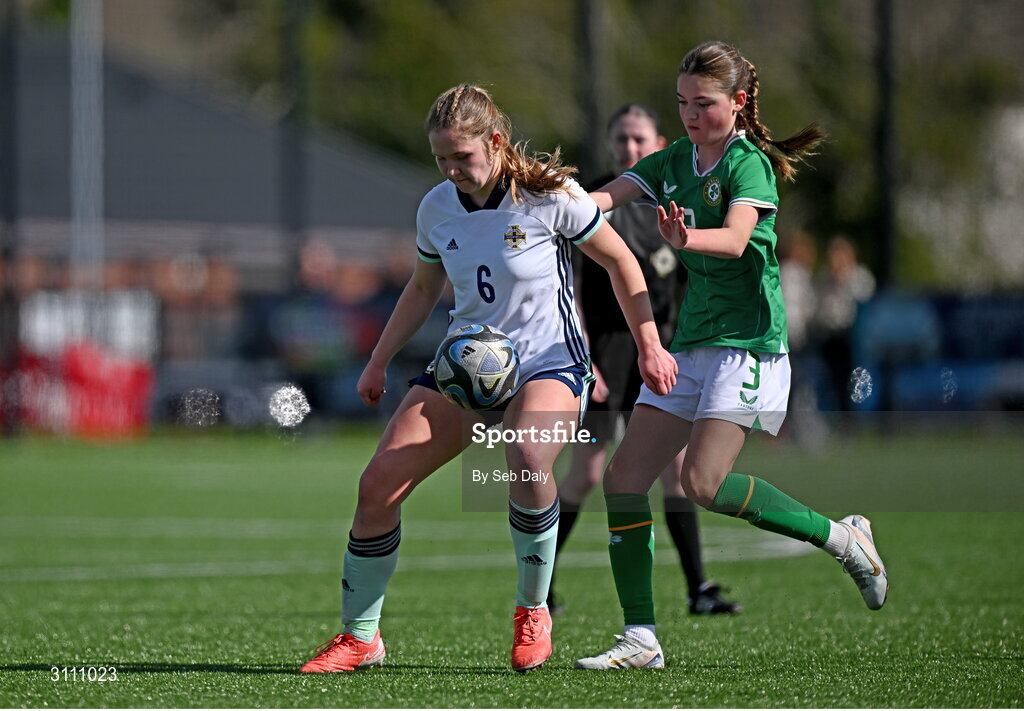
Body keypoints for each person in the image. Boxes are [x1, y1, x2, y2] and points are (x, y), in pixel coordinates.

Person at [299, 84, 677, 674]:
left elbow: (621, 261)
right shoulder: (437, 207)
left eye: (463, 156)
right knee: (377, 485)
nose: (452, 169)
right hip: (466, 366)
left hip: (550, 363)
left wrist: (649, 344)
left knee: (527, 455)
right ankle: (360, 636)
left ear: (495, 142)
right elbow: (424, 287)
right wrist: (377, 361)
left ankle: (532, 610)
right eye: (442, 158)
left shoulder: (550, 197)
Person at [574, 41, 889, 671]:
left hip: (748, 347)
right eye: (683, 103)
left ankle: (842, 537)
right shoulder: (673, 160)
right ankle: (640, 638)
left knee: (702, 484)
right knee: (624, 480)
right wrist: (555, 202)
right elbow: (605, 198)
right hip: (691, 343)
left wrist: (686, 237)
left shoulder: (749, 165)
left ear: (739, 103)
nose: (691, 115)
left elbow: (739, 236)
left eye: (705, 104)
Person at [549, 103, 740, 617]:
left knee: (676, 473)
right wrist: (582, 350)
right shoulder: (593, 199)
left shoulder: (676, 200)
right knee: (586, 474)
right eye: (622, 139)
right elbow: (566, 283)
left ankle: (698, 589)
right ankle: (540, 587)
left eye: (639, 140)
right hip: (606, 352)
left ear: (658, 144)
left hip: (662, 351)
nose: (630, 148)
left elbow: (695, 277)